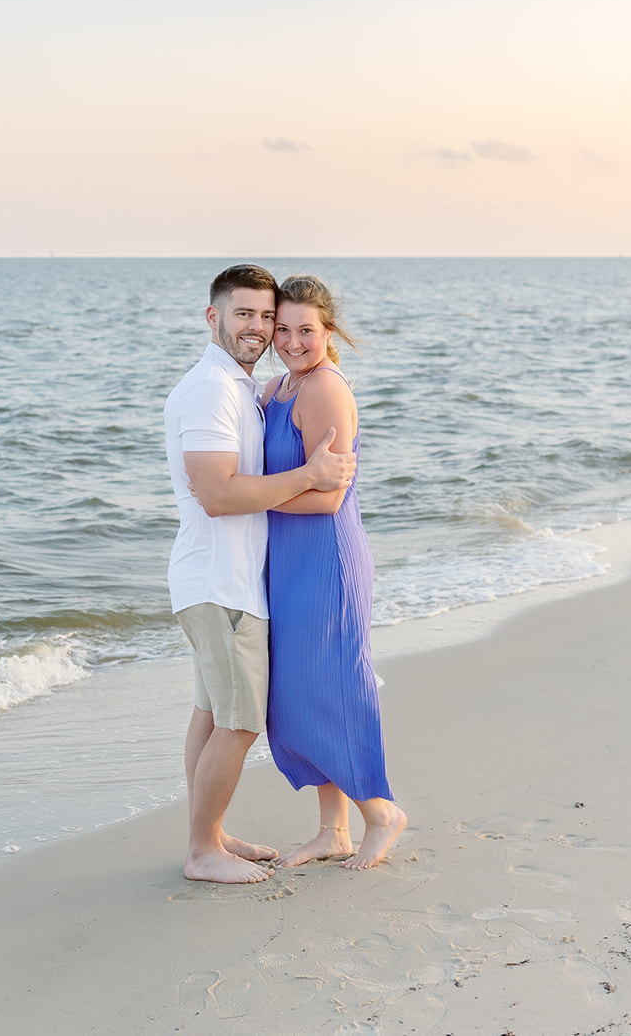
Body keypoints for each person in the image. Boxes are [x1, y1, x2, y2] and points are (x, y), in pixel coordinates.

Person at [164, 264, 356, 884]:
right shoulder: (210, 391)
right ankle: (201, 852)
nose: (258, 327)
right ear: (213, 316)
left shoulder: (242, 387)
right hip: (220, 583)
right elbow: (216, 494)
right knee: (240, 721)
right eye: (243, 314)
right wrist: (308, 477)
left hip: (231, 581)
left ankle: (210, 835)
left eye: (265, 316)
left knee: (210, 712)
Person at [262, 275, 406, 870]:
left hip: (326, 560)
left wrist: (245, 498)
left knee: (332, 689)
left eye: (307, 331)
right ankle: (333, 830)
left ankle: (381, 813)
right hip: (290, 560)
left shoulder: (324, 391)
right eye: (283, 329)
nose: (294, 341)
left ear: (329, 331)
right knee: (301, 692)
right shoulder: (278, 387)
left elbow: (327, 499)